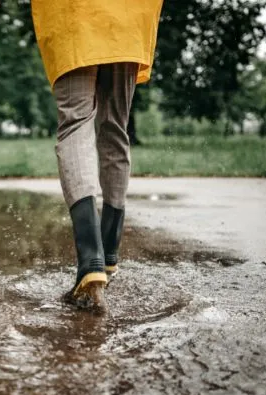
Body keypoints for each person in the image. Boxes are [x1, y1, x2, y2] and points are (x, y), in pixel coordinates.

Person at [30, 0, 165, 307]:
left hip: (73, 15)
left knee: (75, 123)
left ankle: (91, 260)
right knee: (115, 127)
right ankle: (109, 252)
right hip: (131, 17)